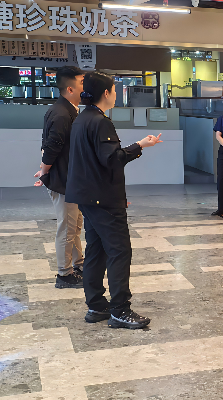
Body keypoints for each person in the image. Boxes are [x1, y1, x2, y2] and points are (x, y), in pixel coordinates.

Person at [65, 72, 163, 329]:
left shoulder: (81, 119)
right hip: (103, 199)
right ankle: (120, 309)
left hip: (88, 196)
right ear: (106, 93)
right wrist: (140, 145)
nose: (116, 94)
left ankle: (96, 305)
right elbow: (112, 159)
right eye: (115, 90)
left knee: (96, 250)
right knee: (120, 250)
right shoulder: (100, 121)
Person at [34, 66, 85, 289]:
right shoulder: (62, 113)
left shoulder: (66, 110)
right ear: (70, 88)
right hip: (63, 181)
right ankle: (64, 274)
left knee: (74, 226)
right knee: (67, 228)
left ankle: (78, 265)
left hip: (70, 180)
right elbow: (51, 146)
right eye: (82, 83)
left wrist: (44, 169)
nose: (86, 87)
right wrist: (44, 171)